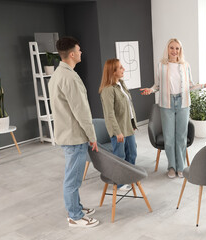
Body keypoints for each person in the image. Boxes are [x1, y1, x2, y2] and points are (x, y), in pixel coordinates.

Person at [140, 38, 206, 178]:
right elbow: (157, 86)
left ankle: (180, 167)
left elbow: (191, 85)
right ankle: (171, 167)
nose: (174, 51)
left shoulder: (185, 66)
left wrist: (205, 85)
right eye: (172, 48)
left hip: (183, 103)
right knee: (169, 138)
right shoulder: (161, 65)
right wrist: (150, 90)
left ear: (180, 50)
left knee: (181, 138)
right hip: (166, 104)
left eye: (177, 48)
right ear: (167, 49)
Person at [48, 37, 99, 228]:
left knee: (73, 175)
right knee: (73, 179)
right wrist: (92, 136)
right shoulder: (69, 77)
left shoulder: (57, 75)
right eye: (78, 50)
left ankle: (76, 206)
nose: (81, 52)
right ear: (71, 54)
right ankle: (75, 216)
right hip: (74, 136)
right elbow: (81, 111)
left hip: (66, 134)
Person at [99, 59, 138, 190]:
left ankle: (129, 177)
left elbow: (129, 106)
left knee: (132, 153)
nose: (123, 69)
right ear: (113, 71)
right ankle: (120, 182)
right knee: (120, 157)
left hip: (128, 126)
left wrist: (132, 123)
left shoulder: (121, 84)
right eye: (120, 68)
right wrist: (117, 132)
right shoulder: (108, 90)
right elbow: (110, 114)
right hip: (119, 130)